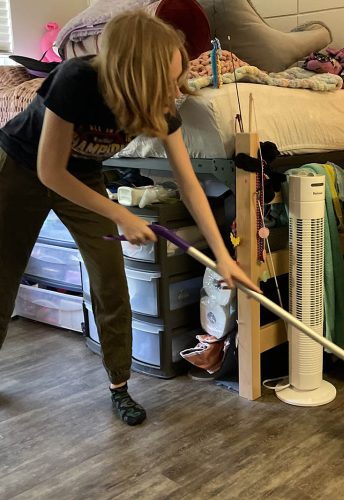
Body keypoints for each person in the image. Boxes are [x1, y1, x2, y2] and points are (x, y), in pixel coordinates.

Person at [0, 11, 259, 426]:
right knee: (2, 280)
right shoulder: (76, 80)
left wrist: (225, 255)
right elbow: (50, 172)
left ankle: (119, 386)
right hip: (22, 166)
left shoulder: (161, 107)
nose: (174, 93)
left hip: (81, 176)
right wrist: (121, 214)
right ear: (134, 75)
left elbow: (190, 185)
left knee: (111, 284)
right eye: (166, 81)